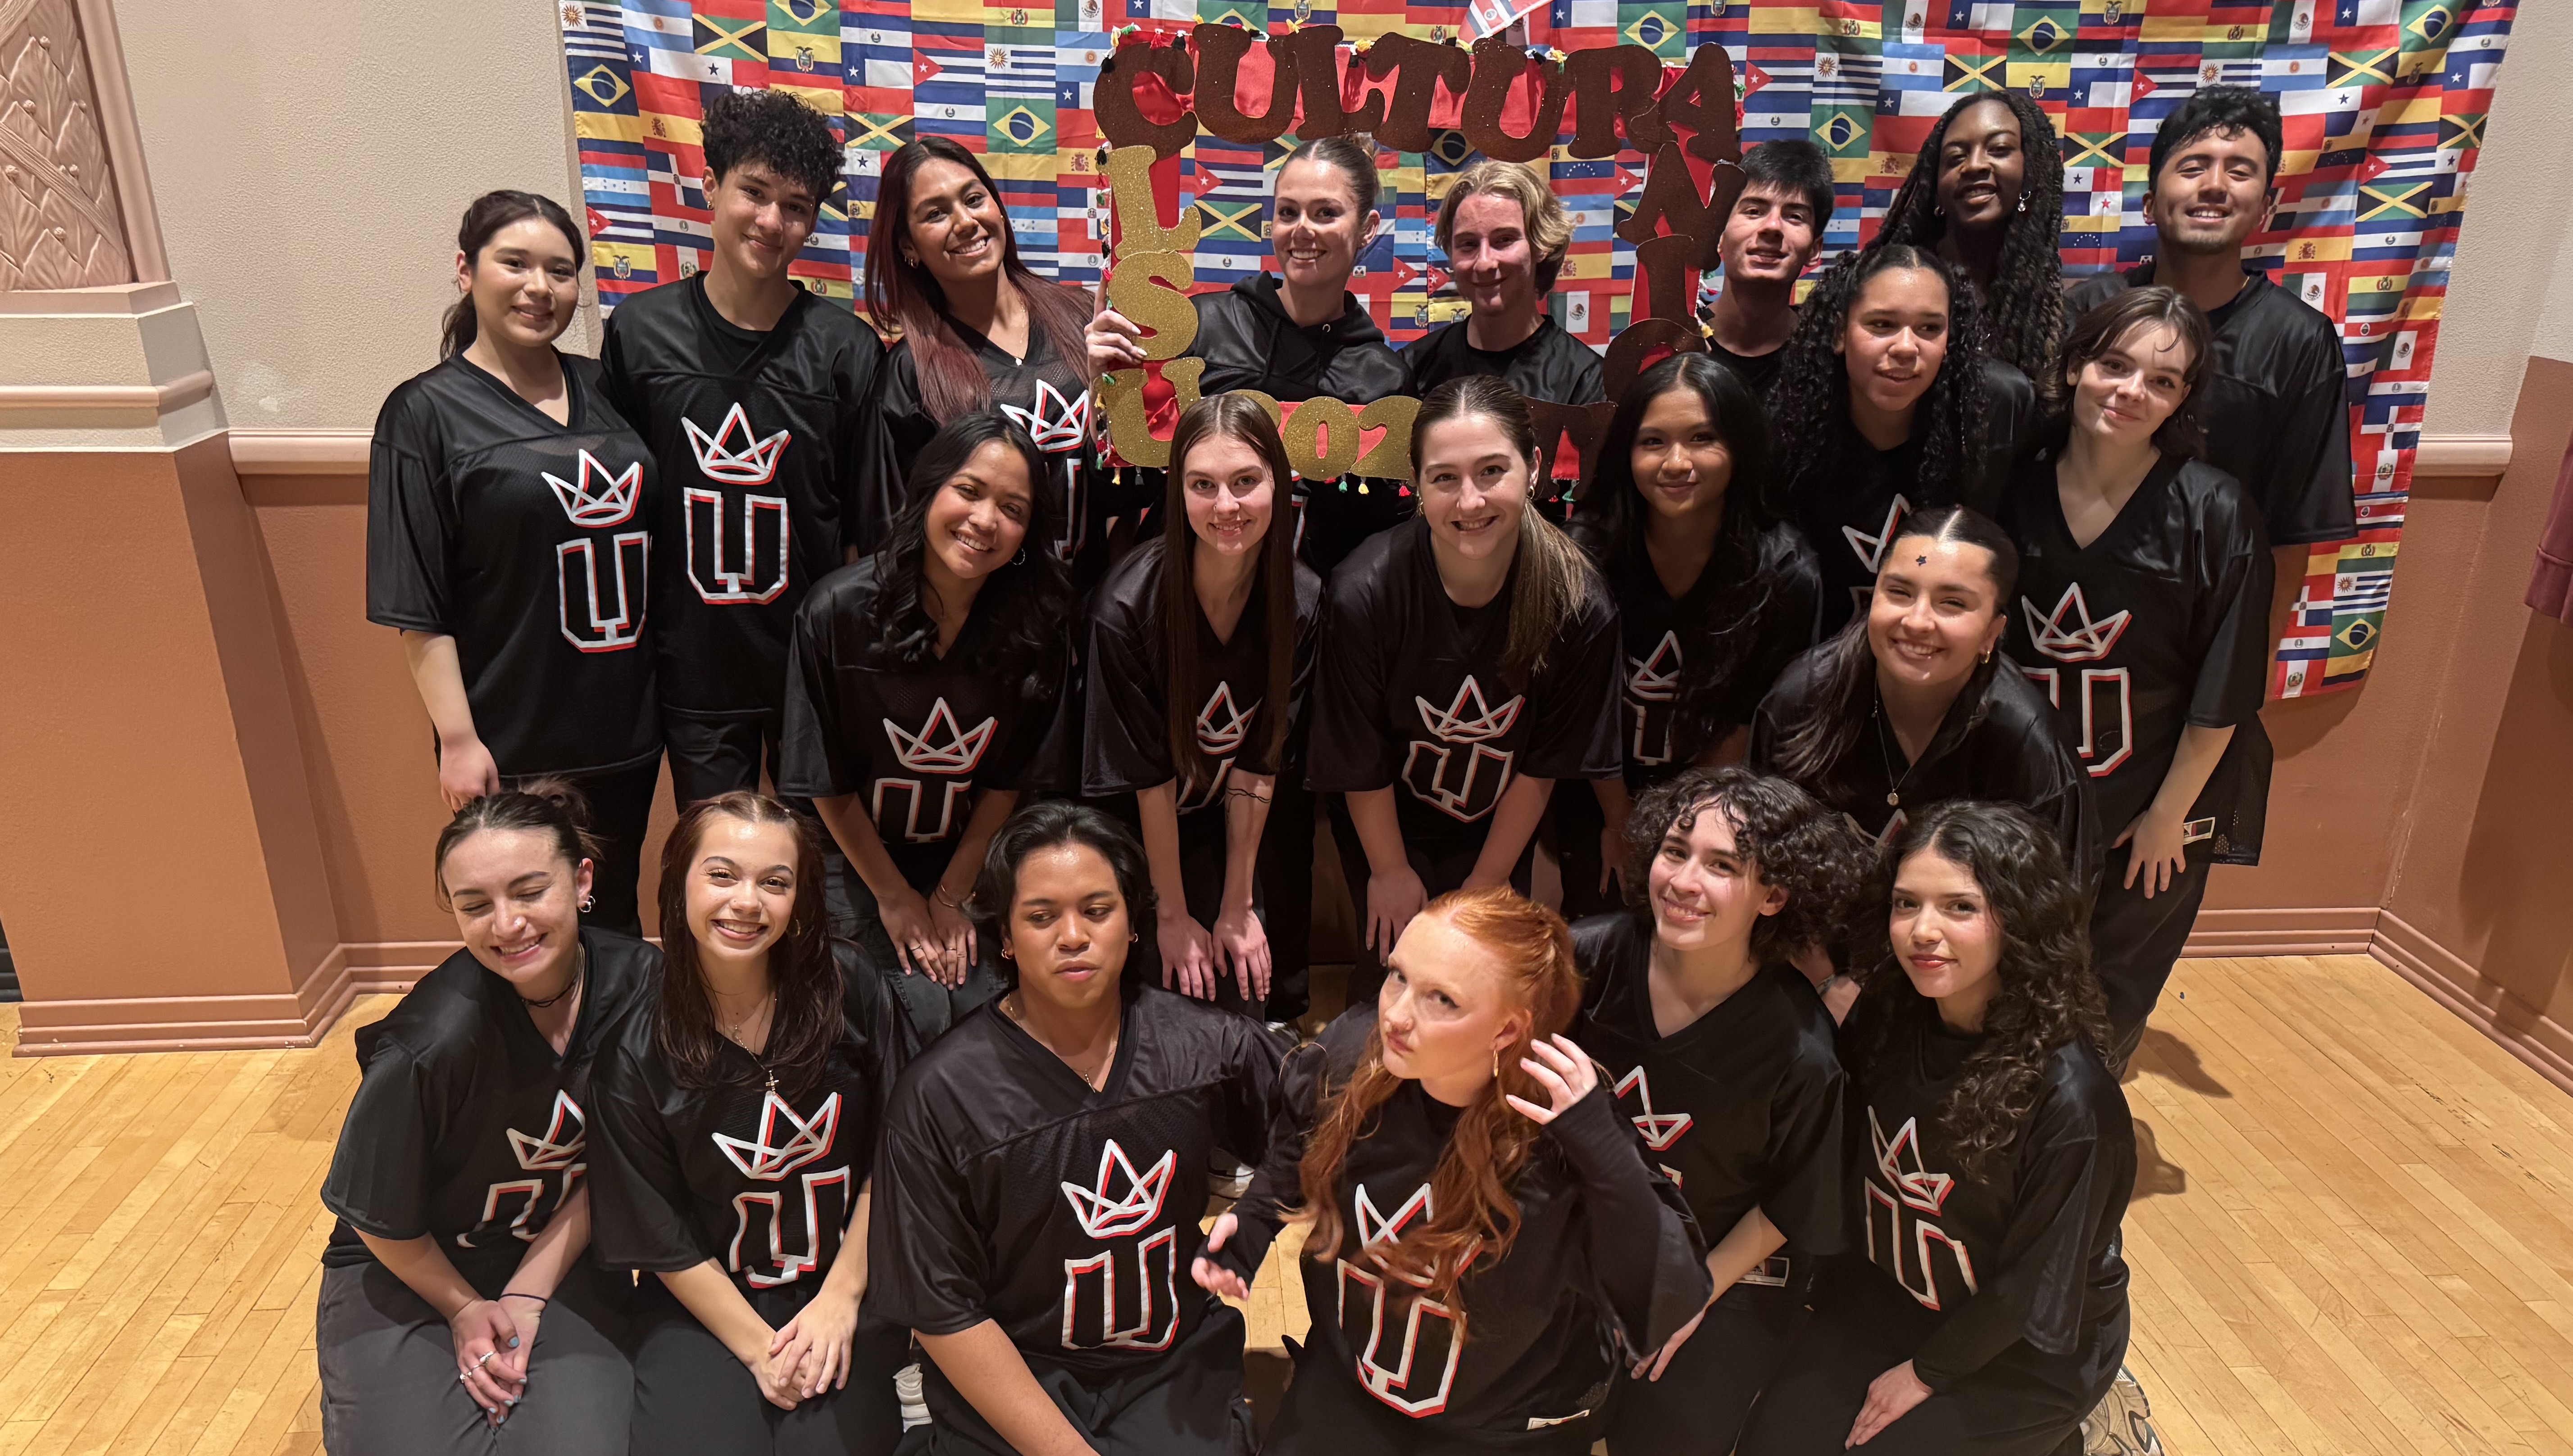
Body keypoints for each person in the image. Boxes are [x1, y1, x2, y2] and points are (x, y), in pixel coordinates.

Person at [1194, 885, 1709, 1452]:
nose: (1396, 1014)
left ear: (1508, 1030)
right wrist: (1257, 1218)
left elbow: (1668, 1299)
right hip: (1351, 1384)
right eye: (1398, 977)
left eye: (1443, 999)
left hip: (1505, 1426)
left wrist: (1604, 1149)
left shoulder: (1570, 1133)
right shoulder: (1353, 1054)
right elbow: (1298, 1139)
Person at [867, 803, 1286, 1456]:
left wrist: (1261, 1215)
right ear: (1004, 934)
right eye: (1041, 916)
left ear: (1134, 924)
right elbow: (943, 1309)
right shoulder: (940, 1094)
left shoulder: (1206, 1046)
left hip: (1168, 1367)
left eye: (1097, 910)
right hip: (1019, 1372)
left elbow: (1330, 1131)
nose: (1073, 936)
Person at [1737, 802, 2135, 1456]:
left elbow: (2030, 1289)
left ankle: (2085, 1434)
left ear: (2021, 918)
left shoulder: (2076, 1103)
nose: (1923, 930)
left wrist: (1926, 1376)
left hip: (2024, 1346)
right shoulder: (1888, 1015)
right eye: (1905, 904)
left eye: (1960, 907)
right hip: (1893, 1301)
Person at [316, 785, 654, 1453]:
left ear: (582, 878)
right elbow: (375, 1217)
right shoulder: (428, 1043)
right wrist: (465, 1306)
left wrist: (530, 1288)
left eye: (530, 892)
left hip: (565, 1248)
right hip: (410, 1262)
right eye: (476, 906)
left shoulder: (647, 986)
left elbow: (630, 1160)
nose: (507, 925)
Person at [587, 793, 915, 1456]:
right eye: (721, 875)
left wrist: (841, 1299)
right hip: (706, 1299)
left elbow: (902, 1155)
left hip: (847, 1275)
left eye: (775, 882)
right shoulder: (632, 1045)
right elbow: (658, 1233)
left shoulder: (851, 985)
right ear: (678, 879)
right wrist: (759, 1350)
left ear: (801, 899)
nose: (747, 902)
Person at [368, 191, 660, 934]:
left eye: (561, 272)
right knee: (529, 915)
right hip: (513, 731)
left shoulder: (608, 387)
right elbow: (416, 602)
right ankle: (546, 1048)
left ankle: (613, 1045)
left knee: (609, 903)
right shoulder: (425, 412)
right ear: (467, 271)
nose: (540, 287)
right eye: (516, 263)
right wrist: (459, 739)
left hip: (625, 721)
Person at [2001, 288, 2273, 1069]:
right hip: (2025, 789)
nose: (2130, 391)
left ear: (2183, 398)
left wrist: (2166, 816)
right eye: (2113, 365)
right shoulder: (2014, 487)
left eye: (2161, 380)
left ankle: (2074, 1154)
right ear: (2076, 366)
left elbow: (2225, 686)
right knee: (2006, 977)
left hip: (2155, 797)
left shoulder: (2215, 511)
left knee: (2107, 990)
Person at [599, 90, 884, 807]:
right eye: (753, 193)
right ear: (710, 188)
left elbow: (861, 525)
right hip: (694, 663)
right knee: (717, 862)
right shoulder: (639, 333)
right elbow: (622, 508)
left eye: (795, 206)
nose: (771, 221)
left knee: (818, 862)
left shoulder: (845, 349)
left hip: (809, 663)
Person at [1571, 768, 1866, 1456]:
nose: (1682, 880)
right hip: (1584, 1236)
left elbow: (1796, 1207)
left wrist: (1690, 1294)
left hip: (1723, 1268)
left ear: (1775, 896)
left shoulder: (1802, 1049)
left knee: (1668, 1431)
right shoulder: (1585, 958)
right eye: (1675, 851)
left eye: (1722, 865)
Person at [1309, 376, 1623, 1005]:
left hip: (1500, 829)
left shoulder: (1578, 602)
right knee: (1393, 990)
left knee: (1491, 991)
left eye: (1492, 471)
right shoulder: (1364, 591)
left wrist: (1488, 880)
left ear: (1533, 470)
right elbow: (1359, 755)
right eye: (1445, 477)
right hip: (1387, 822)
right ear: (1417, 485)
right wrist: (1390, 869)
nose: (1470, 500)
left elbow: (1541, 768)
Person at [777, 413, 1076, 1045]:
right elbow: (823, 782)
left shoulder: (1036, 628)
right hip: (852, 858)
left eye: (1013, 508)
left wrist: (949, 894)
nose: (985, 520)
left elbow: (1008, 783)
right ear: (928, 490)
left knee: (987, 1011)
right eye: (968, 491)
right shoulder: (837, 611)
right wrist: (894, 897)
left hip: (962, 856)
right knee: (903, 1012)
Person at [1750, 506, 2097, 1007]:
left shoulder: (2026, 738)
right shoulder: (1801, 698)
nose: (1917, 621)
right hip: (1806, 969)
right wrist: (1825, 979)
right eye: (1899, 592)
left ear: (1992, 632)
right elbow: (1765, 859)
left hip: (1958, 986)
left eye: (1952, 603)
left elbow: (2048, 914)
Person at [1083, 394, 1323, 1024]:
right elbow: (1148, 779)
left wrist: (1237, 905)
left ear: (1280, 482)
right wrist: (1171, 911)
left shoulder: (1300, 601)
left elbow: (1259, 761)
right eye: (1203, 485)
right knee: (1166, 993)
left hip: (1219, 826)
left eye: (1246, 482)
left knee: (1241, 993)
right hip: (1127, 834)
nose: (1226, 507)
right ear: (1178, 493)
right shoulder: (1128, 607)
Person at [1558, 352, 1824, 917]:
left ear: (1740, 447)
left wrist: (1684, 836)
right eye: (1653, 442)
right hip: (1595, 794)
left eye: (1703, 438)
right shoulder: (1584, 553)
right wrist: (1619, 819)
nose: (1677, 462)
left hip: (1723, 797)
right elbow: (1582, 711)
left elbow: (1744, 720)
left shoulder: (1785, 569)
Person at [1087, 133, 1412, 574]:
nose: (1302, 229)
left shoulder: (1385, 380)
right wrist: (1105, 388)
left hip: (1303, 617)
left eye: (1326, 213)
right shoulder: (1198, 327)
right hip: (1180, 594)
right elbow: (1122, 489)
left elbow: (1375, 537)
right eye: (1288, 212)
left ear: (1368, 229)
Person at [2067, 84, 2356, 569]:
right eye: (2193, 167)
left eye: (2240, 172)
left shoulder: (2298, 341)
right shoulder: (2091, 310)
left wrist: (2256, 646)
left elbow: (2291, 534)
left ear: (2265, 209)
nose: (2216, 185)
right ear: (2150, 203)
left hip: (2207, 615)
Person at [861, 137, 1122, 590]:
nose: (965, 222)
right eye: (936, 213)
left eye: (974, 198)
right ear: (908, 247)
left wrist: (1117, 408)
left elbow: (1129, 484)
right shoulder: (910, 374)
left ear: (998, 208)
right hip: (984, 637)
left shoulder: (1084, 319)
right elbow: (894, 536)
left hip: (1091, 617)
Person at [1766, 245, 2032, 635]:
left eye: (1929, 328)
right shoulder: (1787, 423)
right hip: (1819, 664)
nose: (1906, 348)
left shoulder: (1999, 408)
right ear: (1840, 333)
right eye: (1882, 324)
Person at [1873, 89, 2068, 400]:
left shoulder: (2055, 315)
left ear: (2032, 175)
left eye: (1999, 149)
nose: (1975, 165)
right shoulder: (1885, 281)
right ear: (1935, 188)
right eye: (1956, 158)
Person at [1400, 159, 1605, 417]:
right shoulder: (1413, 368)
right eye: (1468, 244)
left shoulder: (1584, 381)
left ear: (1541, 245)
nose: (1484, 262)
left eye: (1504, 240)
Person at [1701, 138, 1836, 396]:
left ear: (1815, 250)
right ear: (1719, 235)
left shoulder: (1831, 355)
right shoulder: (1677, 342)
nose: (1773, 227)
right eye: (1754, 211)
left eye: (1794, 216)